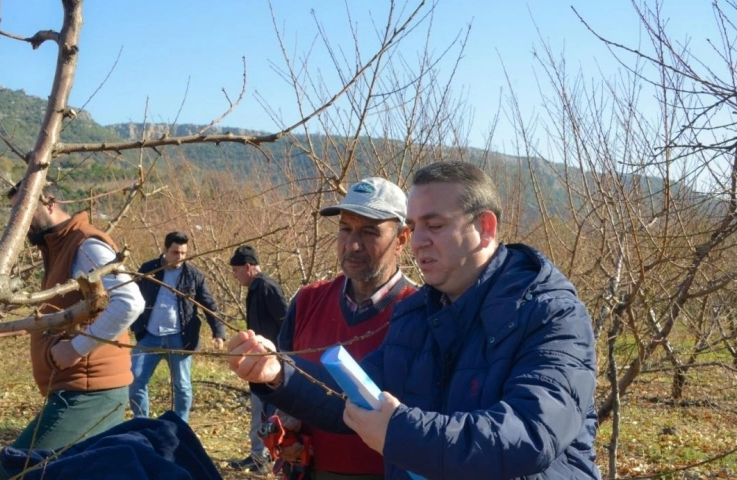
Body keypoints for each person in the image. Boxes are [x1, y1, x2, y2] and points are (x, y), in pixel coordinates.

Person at [227, 162, 601, 479]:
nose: (418, 240)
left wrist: (399, 432)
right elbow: (356, 395)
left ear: (485, 228)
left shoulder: (552, 314)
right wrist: (276, 373)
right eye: (415, 225)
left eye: (434, 226)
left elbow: (530, 433)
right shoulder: (419, 315)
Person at [242, 177, 418, 479]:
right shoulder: (308, 300)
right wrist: (282, 422)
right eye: (345, 228)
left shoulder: (420, 312)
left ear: (402, 238)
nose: (352, 244)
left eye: (370, 231)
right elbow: (279, 386)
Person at [0, 180, 145, 479]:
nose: (19, 223)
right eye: (14, 214)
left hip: (89, 391)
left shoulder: (84, 243)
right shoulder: (59, 247)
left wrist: (74, 349)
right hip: (82, 388)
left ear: (49, 203)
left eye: (24, 211)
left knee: (17, 470)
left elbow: (129, 302)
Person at [129, 231, 226, 422]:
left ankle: (181, 425)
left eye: (183, 253)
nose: (179, 257)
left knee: (182, 386)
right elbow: (131, 297)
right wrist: (131, 324)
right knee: (135, 380)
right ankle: (142, 422)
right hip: (149, 335)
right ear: (164, 249)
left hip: (180, 338)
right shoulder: (148, 270)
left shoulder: (194, 275)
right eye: (175, 252)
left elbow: (209, 304)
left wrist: (218, 332)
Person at [227, 245, 289, 473]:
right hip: (258, 359)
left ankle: (262, 458)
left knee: (265, 410)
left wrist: (280, 358)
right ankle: (261, 456)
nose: (234, 275)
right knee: (261, 408)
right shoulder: (255, 288)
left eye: (236, 270)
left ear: (248, 266)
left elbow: (286, 322)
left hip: (270, 362)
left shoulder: (266, 287)